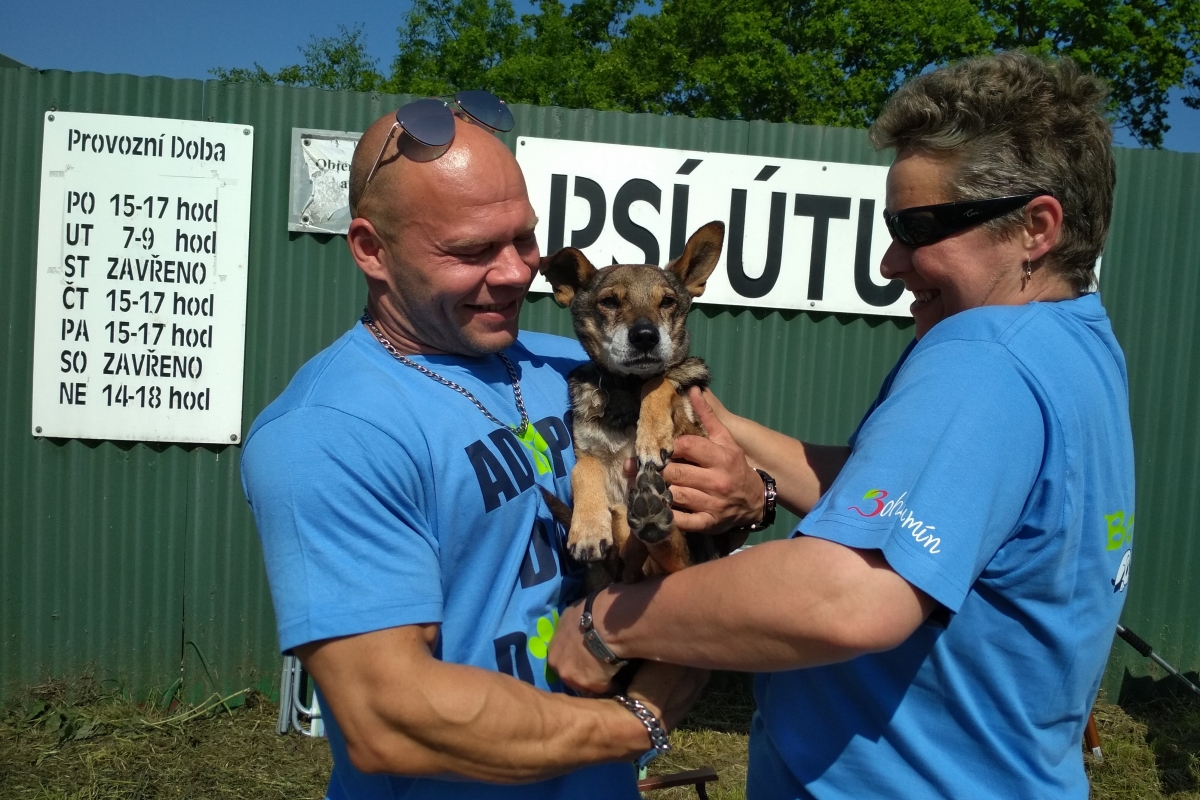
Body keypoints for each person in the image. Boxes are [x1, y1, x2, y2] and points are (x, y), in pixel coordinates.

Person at [548, 51, 1135, 799]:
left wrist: (610, 622)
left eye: (919, 229)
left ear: (1035, 228)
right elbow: (902, 497)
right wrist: (728, 437)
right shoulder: (1076, 339)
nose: (891, 262)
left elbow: (846, 597)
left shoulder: (982, 359)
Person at [241, 99, 705, 800]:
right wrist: (640, 720)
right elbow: (389, 721)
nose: (518, 273)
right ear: (371, 249)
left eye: (524, 241)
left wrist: (748, 497)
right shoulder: (330, 431)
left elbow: (715, 470)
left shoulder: (572, 366)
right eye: (472, 251)